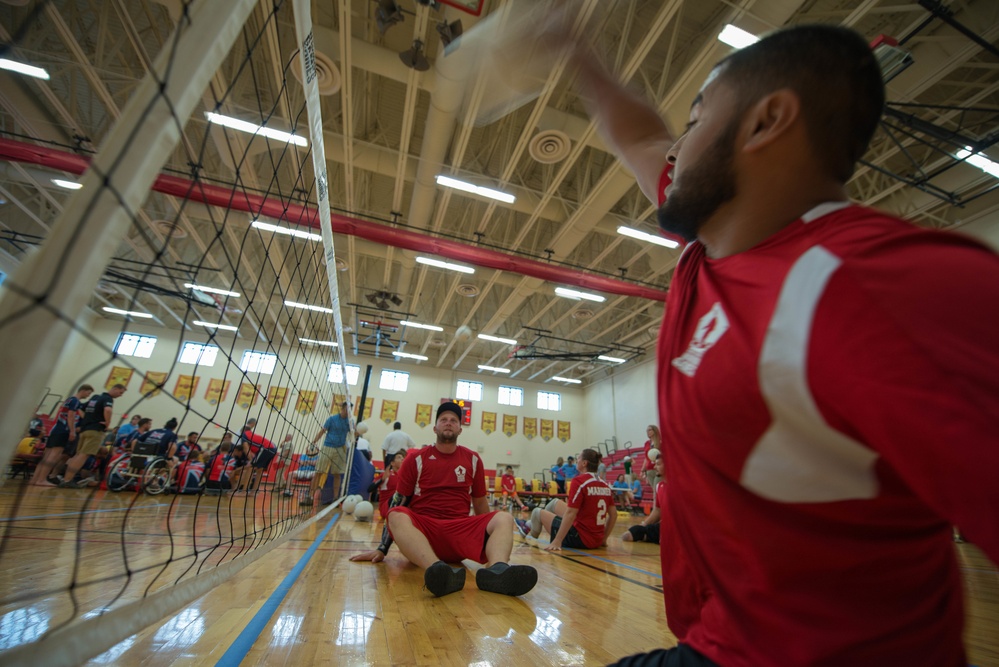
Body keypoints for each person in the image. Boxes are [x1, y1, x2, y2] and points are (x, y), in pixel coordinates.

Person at [564, 20, 999, 666]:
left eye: (695, 115)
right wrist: (573, 50)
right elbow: (639, 135)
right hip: (723, 642)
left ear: (765, 123)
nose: (674, 147)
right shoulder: (721, 234)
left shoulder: (883, 283)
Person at [350, 402, 538, 598]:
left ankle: (497, 572)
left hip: (459, 533)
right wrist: (382, 548)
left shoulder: (473, 459)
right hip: (425, 534)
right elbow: (399, 502)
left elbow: (481, 505)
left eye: (454, 421)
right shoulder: (416, 459)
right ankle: (437, 570)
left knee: (503, 518)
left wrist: (492, 537)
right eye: (444, 420)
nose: (448, 423)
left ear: (460, 429)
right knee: (396, 513)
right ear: (435, 427)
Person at [528, 448, 616, 551]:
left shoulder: (579, 481)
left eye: (578, 458)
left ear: (584, 463)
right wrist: (604, 539)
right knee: (554, 503)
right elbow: (614, 514)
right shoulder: (604, 484)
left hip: (579, 538)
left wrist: (557, 540)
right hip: (595, 538)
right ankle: (532, 523)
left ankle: (528, 527)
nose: (576, 460)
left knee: (536, 512)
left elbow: (571, 513)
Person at [58, 384, 125, 488]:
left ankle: (66, 479)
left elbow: (80, 408)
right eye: (121, 392)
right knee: (83, 455)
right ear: (115, 389)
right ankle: (67, 480)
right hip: (95, 430)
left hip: (85, 429)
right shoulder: (108, 399)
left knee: (78, 455)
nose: (121, 395)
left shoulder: (95, 397)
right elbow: (108, 410)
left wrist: (87, 419)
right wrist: (108, 423)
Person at [31, 384, 93, 487]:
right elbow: (71, 416)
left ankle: (35, 479)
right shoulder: (75, 401)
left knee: (46, 456)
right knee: (53, 456)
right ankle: (41, 480)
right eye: (88, 393)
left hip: (56, 429)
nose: (88, 396)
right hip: (63, 430)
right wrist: (72, 431)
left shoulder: (69, 400)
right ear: (83, 390)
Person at [307, 401, 352, 506]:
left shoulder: (350, 422)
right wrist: (313, 442)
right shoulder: (332, 419)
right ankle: (310, 496)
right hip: (327, 447)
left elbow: (353, 433)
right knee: (319, 472)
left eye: (350, 410)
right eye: (346, 410)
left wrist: (358, 432)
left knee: (337, 474)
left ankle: (336, 499)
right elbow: (322, 431)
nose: (348, 412)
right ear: (342, 409)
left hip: (340, 449)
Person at [623, 455, 666, 544]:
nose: (654, 467)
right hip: (663, 526)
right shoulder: (659, 486)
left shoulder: (680, 487)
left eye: (658, 464)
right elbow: (657, 510)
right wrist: (643, 524)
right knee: (629, 535)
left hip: (677, 528)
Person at [376, 450, 405, 520]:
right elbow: (369, 489)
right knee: (400, 494)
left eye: (403, 458)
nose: (402, 459)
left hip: (397, 506)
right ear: (392, 463)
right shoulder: (387, 475)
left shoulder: (404, 476)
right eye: (399, 457)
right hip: (385, 508)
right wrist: (382, 480)